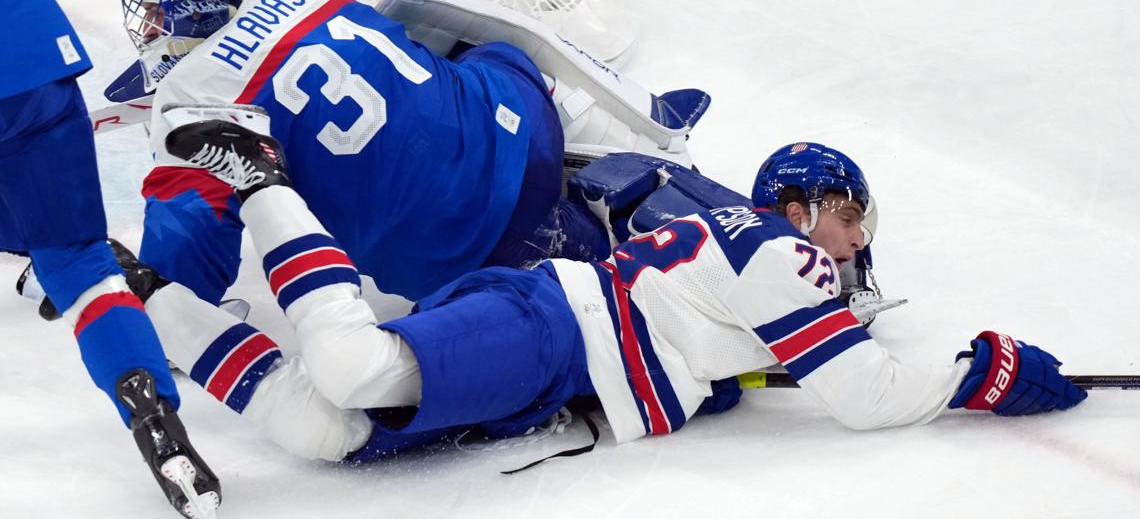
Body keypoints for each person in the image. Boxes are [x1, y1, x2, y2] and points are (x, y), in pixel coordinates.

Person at [122, 105, 1085, 465]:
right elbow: (865, 396)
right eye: (851, 214)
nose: (855, 239)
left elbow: (749, 348)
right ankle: (263, 183)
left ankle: (149, 301)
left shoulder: (748, 252)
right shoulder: (784, 256)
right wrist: (978, 369)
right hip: (556, 329)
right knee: (349, 367)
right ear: (807, 203)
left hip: (562, 370)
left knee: (321, 430)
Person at [120, 0, 707, 308]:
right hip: (523, 132)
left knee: (593, 280)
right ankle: (608, 130)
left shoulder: (192, 105)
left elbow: (187, 245)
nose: (146, 32)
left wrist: (166, 303)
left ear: (192, 12)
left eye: (153, 17)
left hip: (452, 252)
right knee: (486, 52)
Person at [0, 0, 219, 518]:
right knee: (77, 257)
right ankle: (151, 411)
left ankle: (47, 260)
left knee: (52, 247)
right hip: (35, 62)